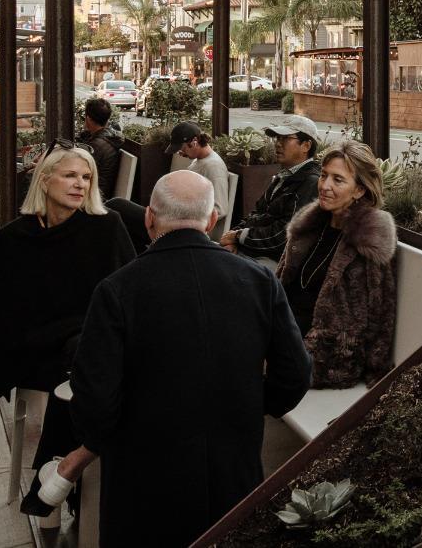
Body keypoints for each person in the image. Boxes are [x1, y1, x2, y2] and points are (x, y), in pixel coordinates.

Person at [57, 171, 312, 546]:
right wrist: (250, 404)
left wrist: (103, 438)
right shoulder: (258, 281)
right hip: (233, 471)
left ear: (149, 218)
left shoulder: (118, 289)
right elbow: (294, 374)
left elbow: (95, 396)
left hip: (142, 481)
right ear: (212, 220)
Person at [0, 144, 134, 519]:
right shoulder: (15, 237)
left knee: (86, 365)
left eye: (86, 178)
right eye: (70, 175)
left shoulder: (106, 228)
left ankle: (58, 472)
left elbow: (128, 297)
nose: (79, 185)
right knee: (87, 372)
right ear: (45, 179)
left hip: (85, 348)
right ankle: (65, 479)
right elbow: (2, 314)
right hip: (34, 350)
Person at [279, 139, 397, 388]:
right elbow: (282, 283)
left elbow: (381, 309)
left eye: (338, 179)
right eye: (323, 176)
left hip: (326, 355)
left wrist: (377, 370)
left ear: (359, 190)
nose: (325, 186)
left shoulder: (368, 238)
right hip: (284, 333)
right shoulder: (310, 226)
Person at [220, 115, 322, 266]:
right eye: (277, 138)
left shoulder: (311, 182)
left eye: (285, 138)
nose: (278, 144)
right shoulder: (283, 176)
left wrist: (239, 236)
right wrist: (233, 238)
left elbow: (285, 235)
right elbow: (256, 213)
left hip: (282, 262)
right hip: (256, 251)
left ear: (306, 146)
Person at [166, 121, 230, 224]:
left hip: (189, 226)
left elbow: (220, 210)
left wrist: (184, 220)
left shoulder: (214, 167)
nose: (180, 153)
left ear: (194, 141)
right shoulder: (199, 161)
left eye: (182, 149)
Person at [77, 98, 123, 199]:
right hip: (100, 191)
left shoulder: (95, 146)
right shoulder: (109, 137)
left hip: (95, 196)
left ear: (88, 119)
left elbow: (77, 168)